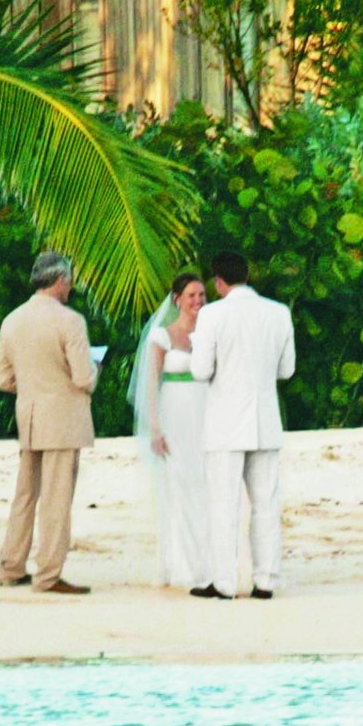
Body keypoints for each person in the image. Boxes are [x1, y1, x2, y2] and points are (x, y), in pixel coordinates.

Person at [189, 250, 296, 599]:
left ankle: (223, 583)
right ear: (247, 275)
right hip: (265, 420)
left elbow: (201, 370)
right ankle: (265, 581)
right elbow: (286, 371)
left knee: (224, 504)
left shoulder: (212, 315)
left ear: (219, 281)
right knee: (266, 503)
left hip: (225, 422)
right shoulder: (279, 313)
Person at [0, 252, 97, 594]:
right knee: (56, 499)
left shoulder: (12, 320)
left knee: (25, 495)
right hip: (63, 418)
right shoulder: (70, 321)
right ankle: (48, 574)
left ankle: (11, 566)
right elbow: (84, 376)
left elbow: (3, 379)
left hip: (30, 415)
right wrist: (93, 372)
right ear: (60, 280)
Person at [130, 273, 210, 588]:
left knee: (207, 484)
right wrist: (155, 428)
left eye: (202, 295)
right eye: (191, 295)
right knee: (178, 484)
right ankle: (180, 565)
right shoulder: (162, 336)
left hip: (206, 412)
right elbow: (151, 384)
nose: (197, 301)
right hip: (174, 413)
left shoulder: (210, 332)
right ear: (177, 300)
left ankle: (208, 563)